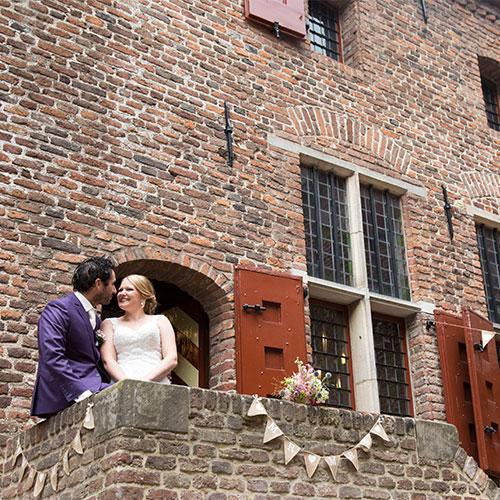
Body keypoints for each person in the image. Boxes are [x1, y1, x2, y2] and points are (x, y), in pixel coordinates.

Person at [31, 257, 117, 418]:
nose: (115, 291)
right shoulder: (59, 308)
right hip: (67, 394)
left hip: (95, 385)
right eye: (112, 284)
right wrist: (82, 394)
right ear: (98, 284)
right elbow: (52, 356)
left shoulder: (97, 320)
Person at [100, 274, 177, 384]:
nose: (122, 293)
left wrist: (146, 381)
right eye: (120, 290)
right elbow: (108, 360)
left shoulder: (161, 321)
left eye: (129, 289)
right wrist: (126, 384)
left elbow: (171, 358)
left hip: (157, 382)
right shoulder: (108, 324)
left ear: (143, 295)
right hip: (122, 382)